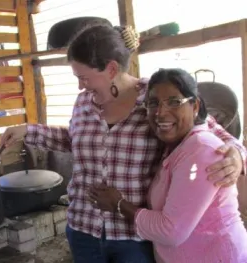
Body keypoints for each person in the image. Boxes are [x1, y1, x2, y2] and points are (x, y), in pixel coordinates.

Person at [0, 24, 246, 263]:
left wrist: (236, 154)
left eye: (84, 77)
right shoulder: (84, 103)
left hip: (133, 236)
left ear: (111, 69)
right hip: (83, 227)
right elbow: (74, 140)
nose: (80, 85)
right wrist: (27, 132)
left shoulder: (157, 98)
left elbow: (216, 134)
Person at [90, 68, 247, 263]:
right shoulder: (176, 146)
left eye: (174, 102)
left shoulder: (202, 150)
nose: (161, 113)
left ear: (195, 106)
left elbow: (171, 231)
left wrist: (119, 204)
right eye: (153, 103)